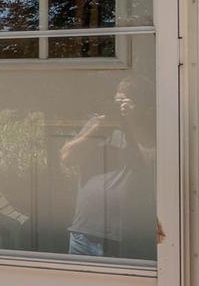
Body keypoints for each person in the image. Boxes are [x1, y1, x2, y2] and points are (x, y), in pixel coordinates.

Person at [60, 74, 155, 259]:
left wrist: (134, 121)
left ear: (142, 105)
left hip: (128, 236)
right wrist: (99, 129)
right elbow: (67, 158)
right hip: (84, 233)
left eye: (126, 102)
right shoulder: (98, 124)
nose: (119, 107)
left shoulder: (149, 128)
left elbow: (153, 164)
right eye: (117, 101)